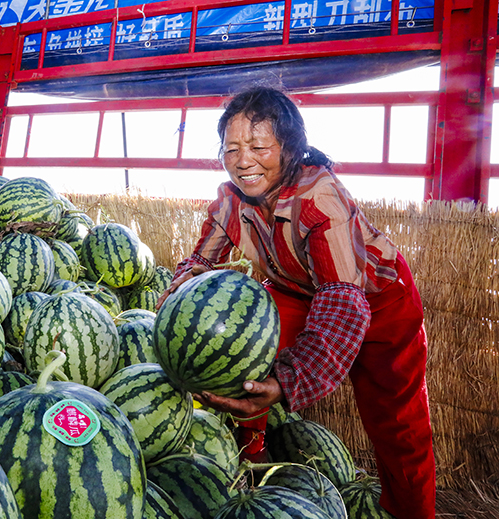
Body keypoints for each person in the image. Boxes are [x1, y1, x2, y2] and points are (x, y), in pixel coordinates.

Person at [156, 86, 435, 519]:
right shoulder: (230, 199)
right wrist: (181, 287)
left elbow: (342, 301)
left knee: (398, 423)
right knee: (246, 359)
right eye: (231, 149)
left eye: (258, 147)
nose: (242, 160)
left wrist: (290, 381)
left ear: (289, 148)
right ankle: (250, 471)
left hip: (377, 300)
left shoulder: (320, 196)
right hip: (297, 290)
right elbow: (200, 260)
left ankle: (413, 512)